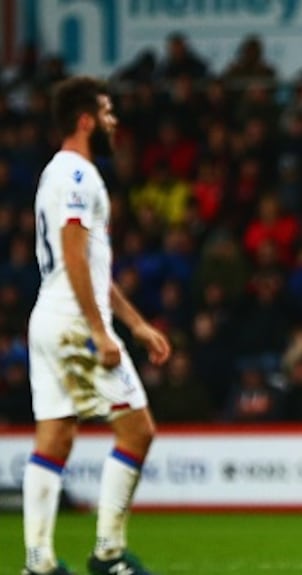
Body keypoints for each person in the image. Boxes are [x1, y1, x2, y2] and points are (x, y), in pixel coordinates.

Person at [22, 77, 171, 575]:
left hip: (49, 316)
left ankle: (38, 562)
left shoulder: (58, 173)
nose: (114, 121)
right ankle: (109, 554)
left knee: (56, 439)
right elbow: (73, 253)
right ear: (85, 120)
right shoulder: (78, 176)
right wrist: (100, 330)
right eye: (107, 112)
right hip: (72, 322)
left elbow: (83, 264)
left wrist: (135, 324)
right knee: (137, 430)